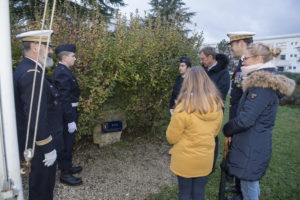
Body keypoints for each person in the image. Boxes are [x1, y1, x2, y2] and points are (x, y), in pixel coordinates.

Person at [223, 43, 295, 200]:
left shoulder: (261, 86)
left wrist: (227, 129)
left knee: (249, 186)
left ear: (259, 59)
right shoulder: (259, 83)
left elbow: (245, 120)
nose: (243, 62)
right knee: (247, 183)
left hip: (252, 145)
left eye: (246, 58)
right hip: (251, 142)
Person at [166, 66, 224, 200]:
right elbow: (215, 131)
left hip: (185, 158)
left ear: (188, 82)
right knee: (199, 192)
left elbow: (171, 137)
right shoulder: (217, 105)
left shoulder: (183, 107)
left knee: (185, 193)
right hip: (205, 158)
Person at [14, 30, 57, 200]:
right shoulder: (32, 75)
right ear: (35, 46)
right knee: (42, 188)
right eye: (48, 46)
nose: (51, 51)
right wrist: (47, 147)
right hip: (37, 143)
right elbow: (35, 115)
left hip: (32, 140)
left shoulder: (26, 68)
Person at [226, 31, 256, 198]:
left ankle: (246, 193)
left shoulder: (253, 65)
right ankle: (240, 190)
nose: (230, 48)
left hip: (245, 121)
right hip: (238, 116)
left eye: (232, 44)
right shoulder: (241, 64)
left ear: (242, 43)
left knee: (245, 158)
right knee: (238, 154)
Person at [53, 44, 83, 186]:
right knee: (66, 143)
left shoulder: (64, 70)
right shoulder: (62, 72)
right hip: (67, 113)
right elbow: (64, 98)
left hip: (70, 111)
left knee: (69, 142)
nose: (75, 58)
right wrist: (70, 119)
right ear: (65, 57)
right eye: (73, 56)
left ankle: (67, 166)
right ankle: (65, 174)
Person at [199, 46, 230, 172]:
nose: (201, 61)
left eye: (203, 59)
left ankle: (210, 166)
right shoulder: (202, 70)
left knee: (212, 138)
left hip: (213, 112)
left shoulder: (224, 73)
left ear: (211, 57)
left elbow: (220, 95)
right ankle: (200, 162)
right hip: (199, 110)